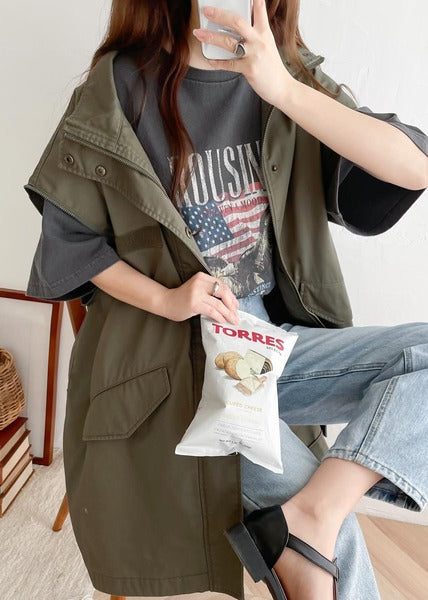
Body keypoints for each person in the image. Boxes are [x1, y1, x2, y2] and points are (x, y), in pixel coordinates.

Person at [24, 1, 428, 599]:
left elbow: (415, 166)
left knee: (319, 518)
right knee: (331, 547)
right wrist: (167, 300)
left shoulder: (286, 74)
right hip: (178, 365)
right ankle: (311, 522)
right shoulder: (120, 87)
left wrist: (281, 88)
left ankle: (314, 512)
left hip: (270, 347)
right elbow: (72, 245)